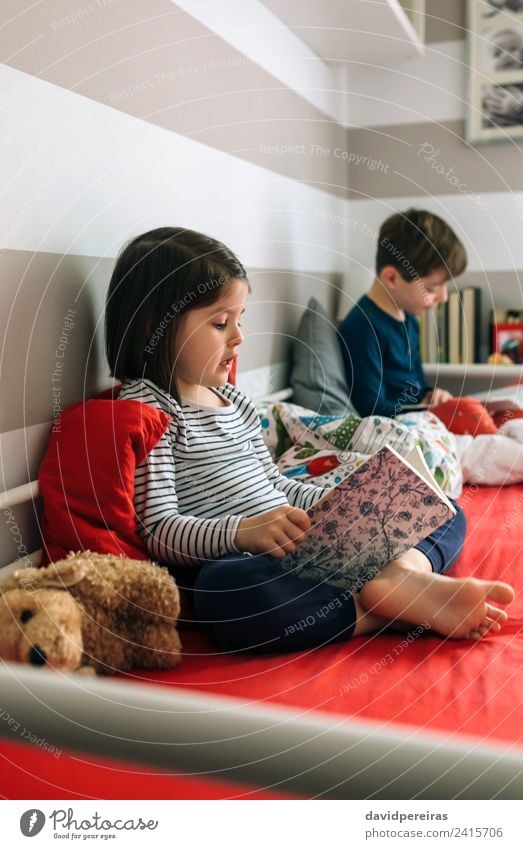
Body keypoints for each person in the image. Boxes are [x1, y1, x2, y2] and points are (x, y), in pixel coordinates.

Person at [105, 227, 514, 652]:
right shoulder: (147, 412)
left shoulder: (237, 403)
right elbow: (159, 530)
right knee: (225, 591)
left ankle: (402, 578)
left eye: (239, 321)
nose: (238, 337)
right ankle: (376, 608)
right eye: (221, 323)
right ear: (156, 325)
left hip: (305, 544)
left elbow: (275, 485)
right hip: (244, 558)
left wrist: (335, 503)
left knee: (441, 506)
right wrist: (241, 532)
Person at [338, 209, 465, 418]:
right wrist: (426, 412)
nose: (444, 297)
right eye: (432, 289)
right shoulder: (363, 328)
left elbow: (415, 385)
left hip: (416, 419)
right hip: (394, 428)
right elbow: (372, 409)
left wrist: (431, 395)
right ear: (392, 278)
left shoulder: (410, 319)